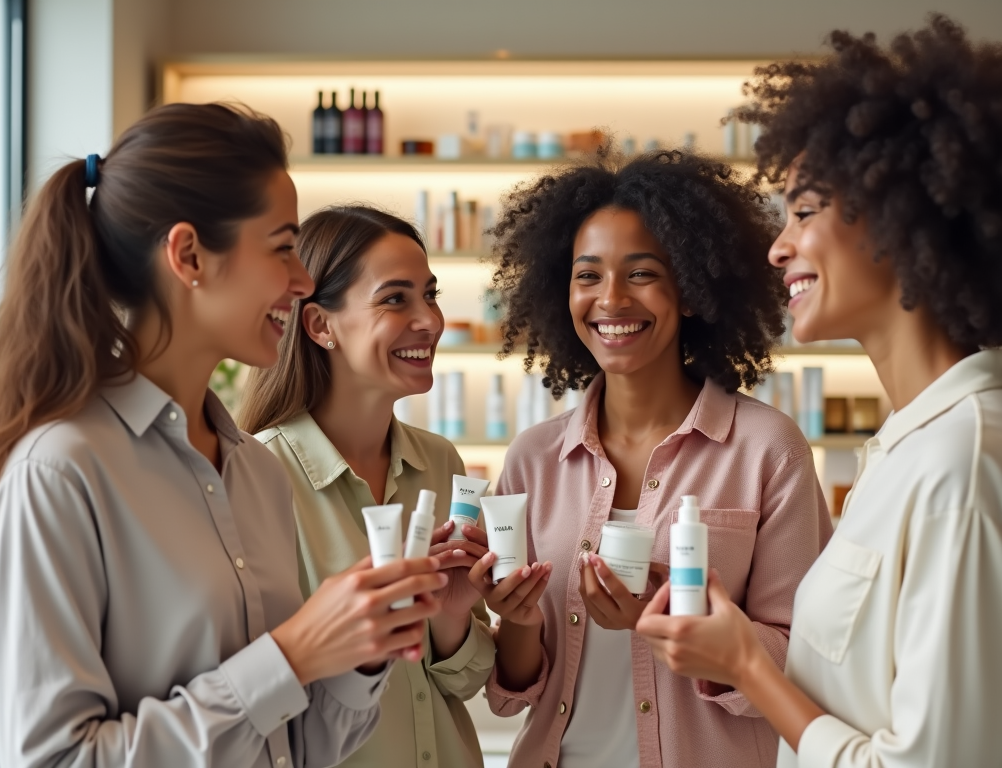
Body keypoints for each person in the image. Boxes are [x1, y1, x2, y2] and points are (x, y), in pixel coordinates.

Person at [0, 103, 448, 768]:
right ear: (190, 255)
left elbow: (297, 749)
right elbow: (56, 759)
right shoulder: (60, 473)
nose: (304, 281)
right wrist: (289, 656)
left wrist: (359, 653)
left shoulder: (255, 473)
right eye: (283, 246)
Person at [636, 15, 1002, 768]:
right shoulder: (904, 453)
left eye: (804, 211)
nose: (777, 247)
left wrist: (746, 666)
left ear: (903, 221)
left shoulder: (961, 464)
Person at [464, 147, 832, 768]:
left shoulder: (766, 448)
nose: (611, 299)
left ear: (689, 289)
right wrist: (518, 620)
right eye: (588, 275)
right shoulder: (533, 457)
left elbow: (804, 661)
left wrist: (668, 619)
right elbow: (514, 691)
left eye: (641, 273)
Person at [238, 205, 496, 768]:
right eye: (395, 298)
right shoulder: (257, 477)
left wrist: (451, 617)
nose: (429, 319)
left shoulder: (440, 463)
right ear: (320, 325)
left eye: (430, 294)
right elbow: (259, 701)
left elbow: (467, 681)